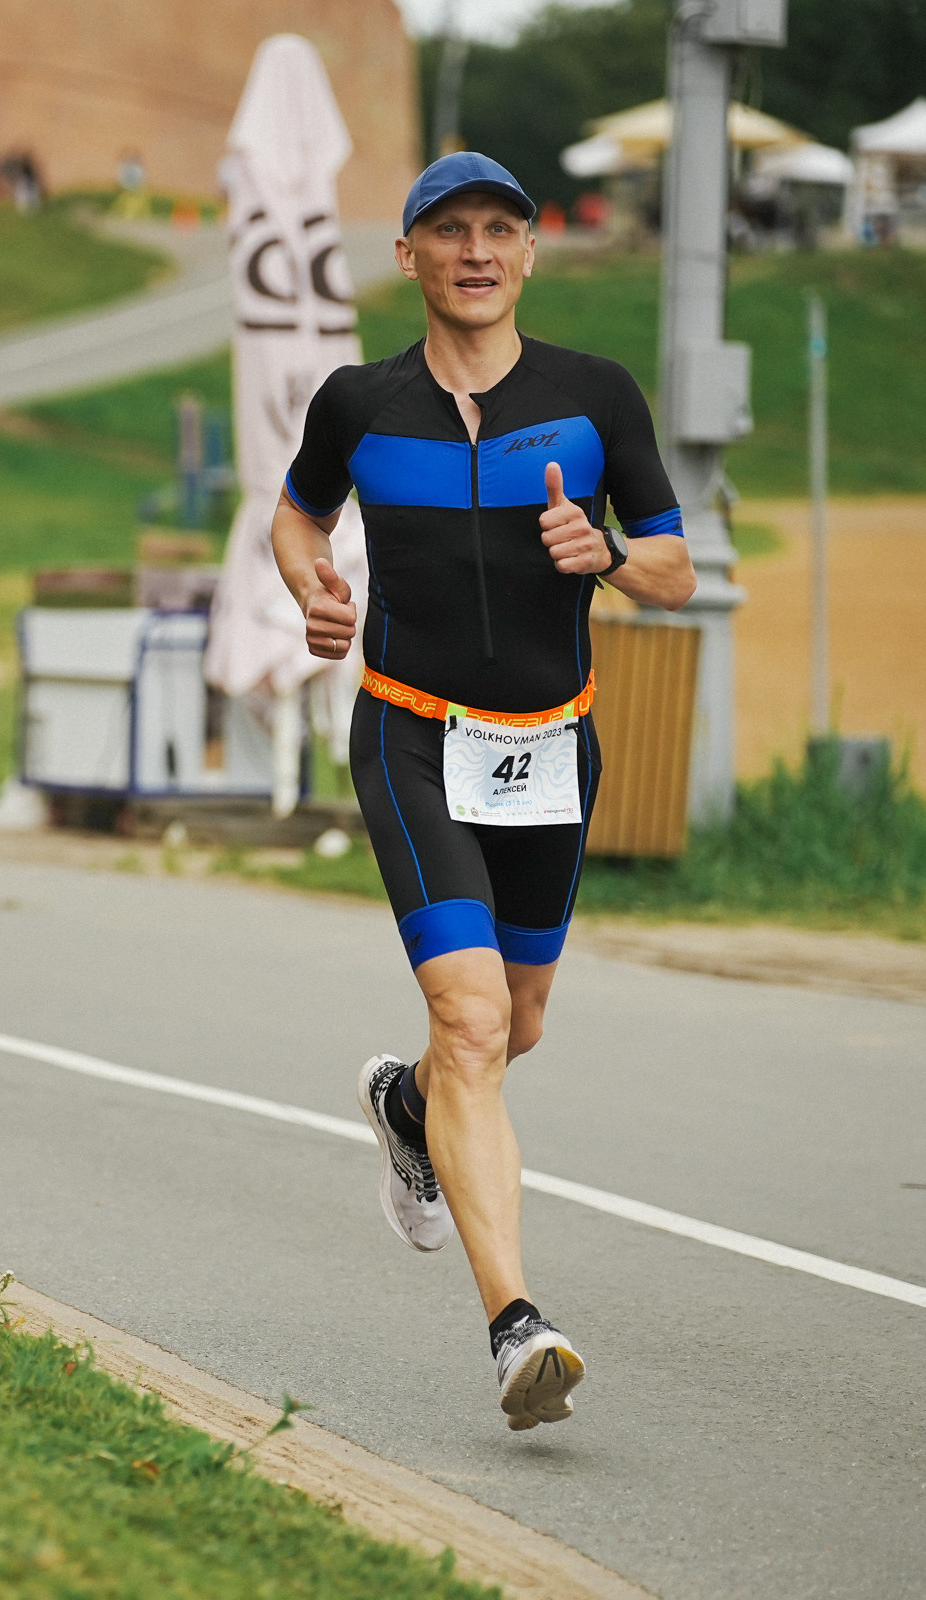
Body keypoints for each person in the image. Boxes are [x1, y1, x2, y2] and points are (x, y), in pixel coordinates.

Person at [271, 154, 694, 1432]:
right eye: (448, 230)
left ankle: (405, 1106)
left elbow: (677, 566)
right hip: (409, 737)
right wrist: (314, 588)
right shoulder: (358, 404)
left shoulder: (594, 398)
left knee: (514, 1028)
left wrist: (610, 554)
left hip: (552, 749)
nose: (477, 250)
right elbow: (294, 517)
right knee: (469, 1024)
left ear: (529, 254)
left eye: (500, 230)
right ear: (407, 255)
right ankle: (518, 1320)